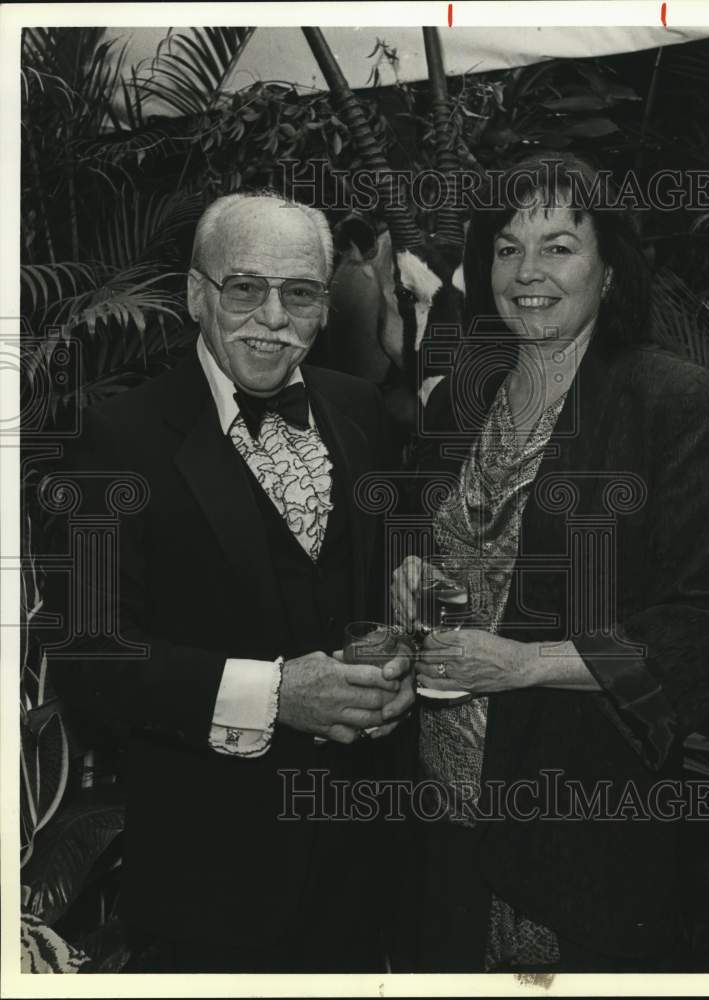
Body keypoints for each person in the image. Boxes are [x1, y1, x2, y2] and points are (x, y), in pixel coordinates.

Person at [392, 152, 709, 972]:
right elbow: (422, 530)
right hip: (438, 796)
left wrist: (522, 663)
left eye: (559, 246)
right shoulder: (462, 397)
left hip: (580, 801)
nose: (528, 271)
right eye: (507, 247)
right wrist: (408, 574)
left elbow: (706, 622)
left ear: (611, 268)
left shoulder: (678, 404)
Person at [46, 192, 414, 973]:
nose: (272, 316)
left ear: (325, 306)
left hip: (366, 863)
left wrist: (400, 669)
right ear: (195, 295)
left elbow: (380, 587)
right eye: (245, 288)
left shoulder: (362, 412)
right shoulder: (117, 439)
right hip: (209, 882)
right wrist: (278, 694)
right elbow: (92, 656)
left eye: (301, 293)